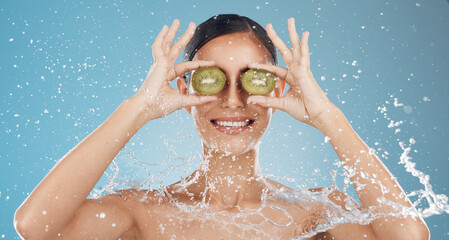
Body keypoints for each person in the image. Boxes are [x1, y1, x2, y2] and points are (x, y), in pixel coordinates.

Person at [14, 14, 429, 240]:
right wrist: (138, 108)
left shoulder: (313, 214)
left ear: (278, 88)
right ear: (184, 88)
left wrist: (328, 117)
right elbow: (36, 227)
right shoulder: (145, 212)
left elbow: (408, 238)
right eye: (213, 78)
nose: (233, 100)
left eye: (253, 80)